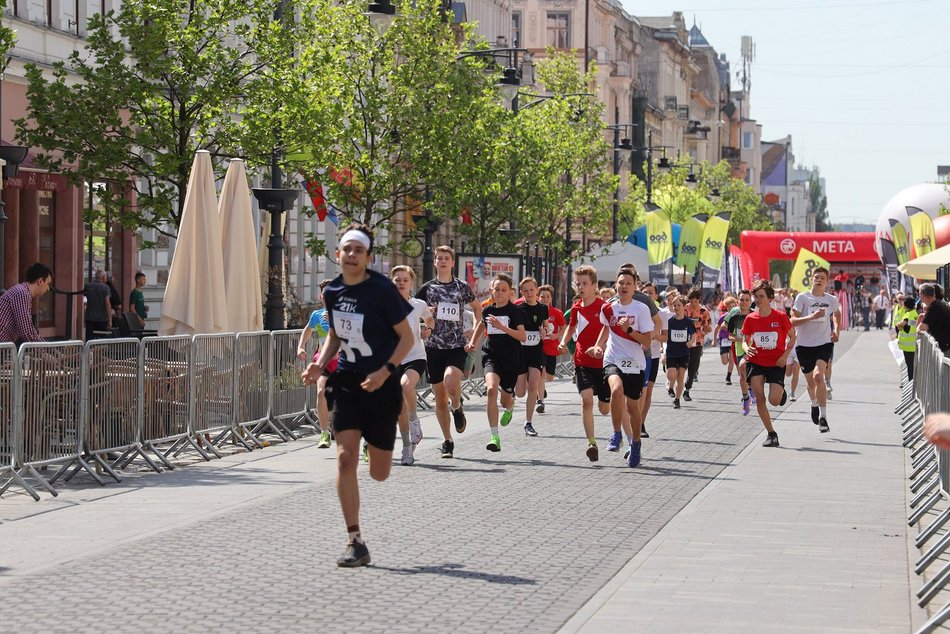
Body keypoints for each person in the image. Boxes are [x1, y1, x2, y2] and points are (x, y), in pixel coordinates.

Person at [301, 224, 414, 568]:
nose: (351, 255)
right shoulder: (332, 292)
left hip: (382, 383)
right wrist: (320, 364)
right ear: (338, 254)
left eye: (358, 251)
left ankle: (384, 443)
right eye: (346, 249)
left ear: (368, 258)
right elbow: (335, 334)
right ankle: (355, 540)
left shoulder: (381, 289)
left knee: (379, 473)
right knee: (345, 458)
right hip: (348, 380)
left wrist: (385, 371)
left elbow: (406, 339)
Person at [415, 246, 482, 459]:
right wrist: (425, 319)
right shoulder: (426, 289)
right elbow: (413, 313)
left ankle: (458, 406)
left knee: (451, 382)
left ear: (453, 263)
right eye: (439, 258)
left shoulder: (462, 287)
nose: (443, 261)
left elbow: (478, 308)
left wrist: (474, 330)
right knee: (439, 397)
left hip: (456, 345)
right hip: (434, 347)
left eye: (447, 258)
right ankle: (448, 440)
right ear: (434, 262)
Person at [588, 268, 653, 467]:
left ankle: (636, 443)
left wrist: (630, 330)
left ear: (635, 287)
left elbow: (647, 342)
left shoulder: (641, 309)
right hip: (613, 358)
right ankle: (616, 434)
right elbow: (606, 329)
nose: (624, 286)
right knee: (616, 390)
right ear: (616, 285)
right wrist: (599, 346)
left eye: (628, 283)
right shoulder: (608, 308)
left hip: (635, 362)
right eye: (621, 283)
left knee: (633, 407)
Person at [465, 273, 526, 452]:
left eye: (503, 290)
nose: (499, 293)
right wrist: (473, 342)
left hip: (511, 359)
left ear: (510, 292)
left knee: (506, 398)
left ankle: (510, 406)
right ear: (492, 291)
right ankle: (494, 436)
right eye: (497, 290)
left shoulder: (515, 312)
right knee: (491, 390)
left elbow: (522, 336)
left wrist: (502, 327)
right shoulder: (487, 310)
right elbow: (481, 326)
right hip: (491, 355)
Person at [558, 266, 611, 462]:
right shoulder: (576, 308)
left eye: (585, 284)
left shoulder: (604, 307)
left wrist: (601, 346)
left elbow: (609, 329)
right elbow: (571, 327)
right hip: (582, 361)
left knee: (604, 409)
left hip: (604, 363)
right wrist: (563, 342)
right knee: (586, 400)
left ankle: (609, 400)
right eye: (578, 284)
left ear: (594, 285)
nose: (580, 287)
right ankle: (592, 443)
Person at [743, 279, 795, 447]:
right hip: (757, 361)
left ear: (770, 298)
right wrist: (747, 349)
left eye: (761, 296)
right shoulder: (750, 319)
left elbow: (793, 337)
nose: (757, 300)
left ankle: (780, 393)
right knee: (759, 398)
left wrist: (786, 355)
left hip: (776, 363)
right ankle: (771, 434)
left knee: (774, 400)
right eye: (755, 296)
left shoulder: (780, 317)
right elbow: (745, 340)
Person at [391, 266, 434, 465]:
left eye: (404, 279)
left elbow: (429, 319)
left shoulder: (418, 304)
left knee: (405, 386)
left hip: (415, 356)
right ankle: (408, 448)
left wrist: (428, 331)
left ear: (411, 283)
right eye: (397, 279)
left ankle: (415, 420)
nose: (400, 283)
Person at [790, 267, 839, 434]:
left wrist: (836, 329)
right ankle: (814, 404)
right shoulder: (803, 298)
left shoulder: (831, 300)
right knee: (810, 382)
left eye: (822, 278)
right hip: (804, 346)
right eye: (816, 277)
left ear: (826, 282)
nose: (819, 280)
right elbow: (792, 321)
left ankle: (823, 418)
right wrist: (811, 317)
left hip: (823, 343)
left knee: (819, 377)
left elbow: (836, 314)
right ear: (811, 279)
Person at [297, 279, 337, 449]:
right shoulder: (317, 315)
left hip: (344, 362)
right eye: (325, 294)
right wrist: (300, 347)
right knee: (321, 392)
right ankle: (324, 433)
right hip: (322, 361)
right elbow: (307, 330)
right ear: (321, 297)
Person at [513, 277, 548, 437]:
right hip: (520, 352)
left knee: (533, 384)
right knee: (520, 392)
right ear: (522, 292)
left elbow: (545, 326)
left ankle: (528, 422)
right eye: (525, 290)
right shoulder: (518, 309)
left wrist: (545, 332)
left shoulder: (542, 308)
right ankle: (511, 395)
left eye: (531, 290)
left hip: (536, 352)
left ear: (536, 290)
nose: (529, 293)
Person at [0, 262, 53, 344]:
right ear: (41, 281)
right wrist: (48, 350)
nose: (48, 288)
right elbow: (26, 331)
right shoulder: (22, 293)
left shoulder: (22, 291)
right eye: (48, 284)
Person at [722, 289, 754, 415]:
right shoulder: (734, 314)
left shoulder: (754, 316)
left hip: (752, 349)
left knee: (750, 374)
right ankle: (746, 398)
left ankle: (751, 392)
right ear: (738, 301)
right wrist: (739, 338)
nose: (744, 302)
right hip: (739, 349)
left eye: (747, 300)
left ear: (751, 302)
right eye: (742, 300)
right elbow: (729, 335)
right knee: (742, 373)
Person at [537, 284, 565, 414]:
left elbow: (564, 327)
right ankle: (540, 400)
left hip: (552, 347)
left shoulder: (556, 313)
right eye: (542, 296)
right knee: (540, 374)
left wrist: (556, 335)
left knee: (550, 377)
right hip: (539, 347)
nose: (544, 299)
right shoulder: (535, 311)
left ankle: (542, 389)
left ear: (551, 298)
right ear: (538, 297)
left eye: (547, 296)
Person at [664, 296, 695, 409]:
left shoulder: (688, 322)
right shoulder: (669, 322)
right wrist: (663, 352)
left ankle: (677, 400)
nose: (676, 307)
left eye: (679, 305)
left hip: (684, 353)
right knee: (672, 375)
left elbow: (694, 335)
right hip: (671, 352)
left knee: (681, 376)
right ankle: (670, 386)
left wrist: (691, 342)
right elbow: (665, 336)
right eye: (674, 305)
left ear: (684, 306)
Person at [682, 288, 711, 402]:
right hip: (684, 340)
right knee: (683, 364)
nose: (693, 304)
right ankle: (676, 383)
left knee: (693, 367)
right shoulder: (684, 309)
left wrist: (705, 330)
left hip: (698, 341)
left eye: (696, 301)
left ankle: (687, 390)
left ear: (699, 300)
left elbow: (708, 327)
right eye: (691, 301)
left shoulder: (704, 311)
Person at [919, 283, 950, 353]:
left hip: (944, 348)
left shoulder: (933, 308)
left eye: (919, 294)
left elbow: (922, 328)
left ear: (923, 295)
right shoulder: (938, 304)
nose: (919, 297)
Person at [84, 270, 113, 340]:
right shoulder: (105, 288)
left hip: (90, 317)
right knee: (101, 340)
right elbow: (107, 304)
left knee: (89, 339)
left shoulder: (87, 286)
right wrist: (110, 319)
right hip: (102, 319)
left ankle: (89, 351)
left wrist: (84, 316)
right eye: (106, 277)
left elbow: (84, 301)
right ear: (103, 277)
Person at [896, 296, 919, 382]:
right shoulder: (914, 314)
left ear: (905, 305)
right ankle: (912, 382)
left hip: (908, 345)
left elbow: (901, 325)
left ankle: (911, 382)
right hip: (913, 344)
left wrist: (900, 324)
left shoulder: (908, 314)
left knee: (910, 365)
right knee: (912, 365)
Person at [717, 296, 737, 385]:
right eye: (729, 307)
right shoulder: (723, 317)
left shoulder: (737, 317)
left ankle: (728, 377)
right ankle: (729, 362)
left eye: (733, 306)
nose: (731, 308)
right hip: (724, 339)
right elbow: (717, 328)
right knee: (725, 361)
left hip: (732, 339)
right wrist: (714, 339)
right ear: (726, 307)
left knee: (732, 359)